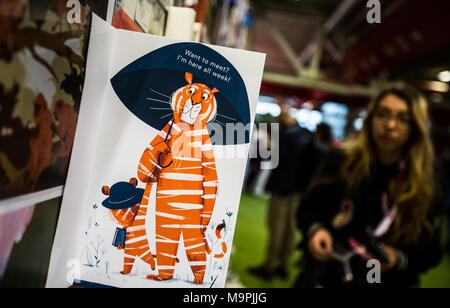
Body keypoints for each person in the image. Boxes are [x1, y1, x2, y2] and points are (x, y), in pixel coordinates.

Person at [295, 85, 444, 288]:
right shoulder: (341, 162)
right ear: (371, 119)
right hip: (326, 274)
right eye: (383, 114)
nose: (390, 125)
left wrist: (398, 259)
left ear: (415, 127)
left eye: (402, 118)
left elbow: (431, 251)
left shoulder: (426, 185)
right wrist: (316, 231)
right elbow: (308, 209)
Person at [248, 101, 320, 279]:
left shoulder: (284, 135)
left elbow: (268, 156)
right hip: (298, 191)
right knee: (290, 230)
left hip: (281, 188)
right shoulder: (306, 134)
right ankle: (284, 266)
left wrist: (269, 143)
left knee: (277, 228)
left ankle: (269, 266)